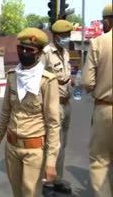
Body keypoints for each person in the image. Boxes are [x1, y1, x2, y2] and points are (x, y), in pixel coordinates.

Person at [0, 28, 60, 197]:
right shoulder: (12, 77)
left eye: (29, 50)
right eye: (21, 48)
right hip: (12, 147)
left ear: (38, 54)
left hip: (35, 150)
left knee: (30, 193)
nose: (24, 52)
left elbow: (53, 124)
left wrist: (51, 161)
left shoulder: (47, 81)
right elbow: (5, 113)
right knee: (17, 193)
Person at [82, 3, 113, 197]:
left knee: (100, 160)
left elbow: (87, 82)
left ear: (108, 20)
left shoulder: (99, 42)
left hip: (106, 109)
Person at [41, 19, 74, 194]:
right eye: (63, 36)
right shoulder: (46, 53)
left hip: (67, 103)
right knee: (54, 144)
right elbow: (38, 79)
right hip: (53, 105)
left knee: (63, 144)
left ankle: (57, 179)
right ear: (55, 36)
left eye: (68, 35)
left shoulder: (65, 52)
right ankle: (47, 181)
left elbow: (65, 75)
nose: (66, 38)